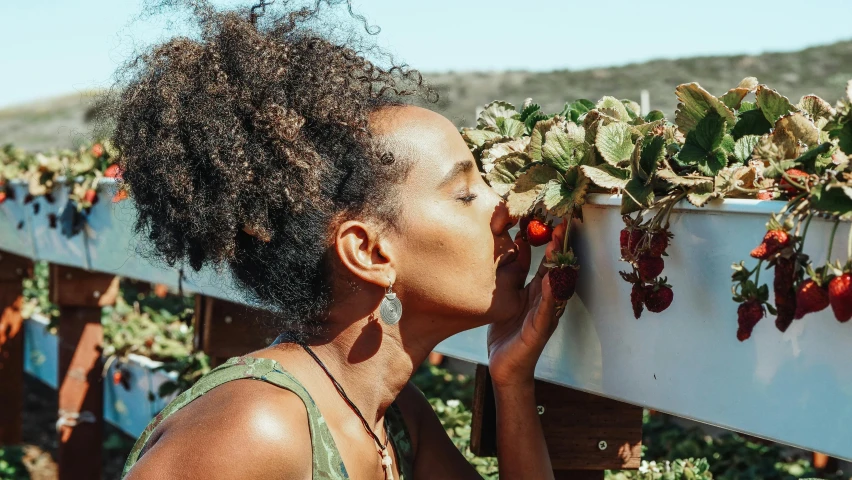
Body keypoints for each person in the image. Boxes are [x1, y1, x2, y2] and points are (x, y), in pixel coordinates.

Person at [113, 1, 567, 478]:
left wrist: (512, 381)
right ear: (369, 252)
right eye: (465, 193)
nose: (505, 210)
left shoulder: (392, 419)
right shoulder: (254, 430)